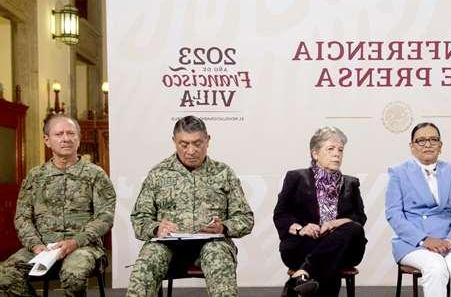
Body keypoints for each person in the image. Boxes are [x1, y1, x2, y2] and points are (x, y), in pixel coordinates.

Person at [126, 116, 253, 297]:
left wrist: (223, 227)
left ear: (208, 140)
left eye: (197, 143)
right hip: (167, 246)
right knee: (146, 264)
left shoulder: (224, 173)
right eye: (184, 144)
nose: (191, 151)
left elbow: (245, 218)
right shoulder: (158, 174)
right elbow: (139, 218)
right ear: (174, 141)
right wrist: (156, 228)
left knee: (218, 256)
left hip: (213, 245)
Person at [0, 115, 116, 297]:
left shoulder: (95, 174)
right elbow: (22, 217)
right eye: (59, 134)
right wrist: (35, 245)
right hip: (43, 248)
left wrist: (75, 242)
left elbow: (105, 216)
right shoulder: (35, 176)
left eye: (71, 133)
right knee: (4, 276)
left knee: (73, 275)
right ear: (47, 140)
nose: (66, 138)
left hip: (83, 247)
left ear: (78, 138)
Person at [385, 122, 451, 297]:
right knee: (436, 268)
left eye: (433, 139)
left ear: (440, 146)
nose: (428, 144)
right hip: (413, 242)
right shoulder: (398, 173)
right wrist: (424, 240)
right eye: (421, 140)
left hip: (450, 240)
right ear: (412, 147)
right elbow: (394, 215)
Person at [273, 126, 367, 297]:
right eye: (330, 149)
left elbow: (359, 218)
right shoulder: (296, 177)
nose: (337, 154)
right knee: (330, 261)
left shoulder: (351, 183)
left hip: (343, 247)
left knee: (354, 228)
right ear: (315, 153)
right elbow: (281, 214)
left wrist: (334, 224)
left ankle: (302, 274)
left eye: (340, 150)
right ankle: (304, 276)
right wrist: (301, 229)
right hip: (304, 245)